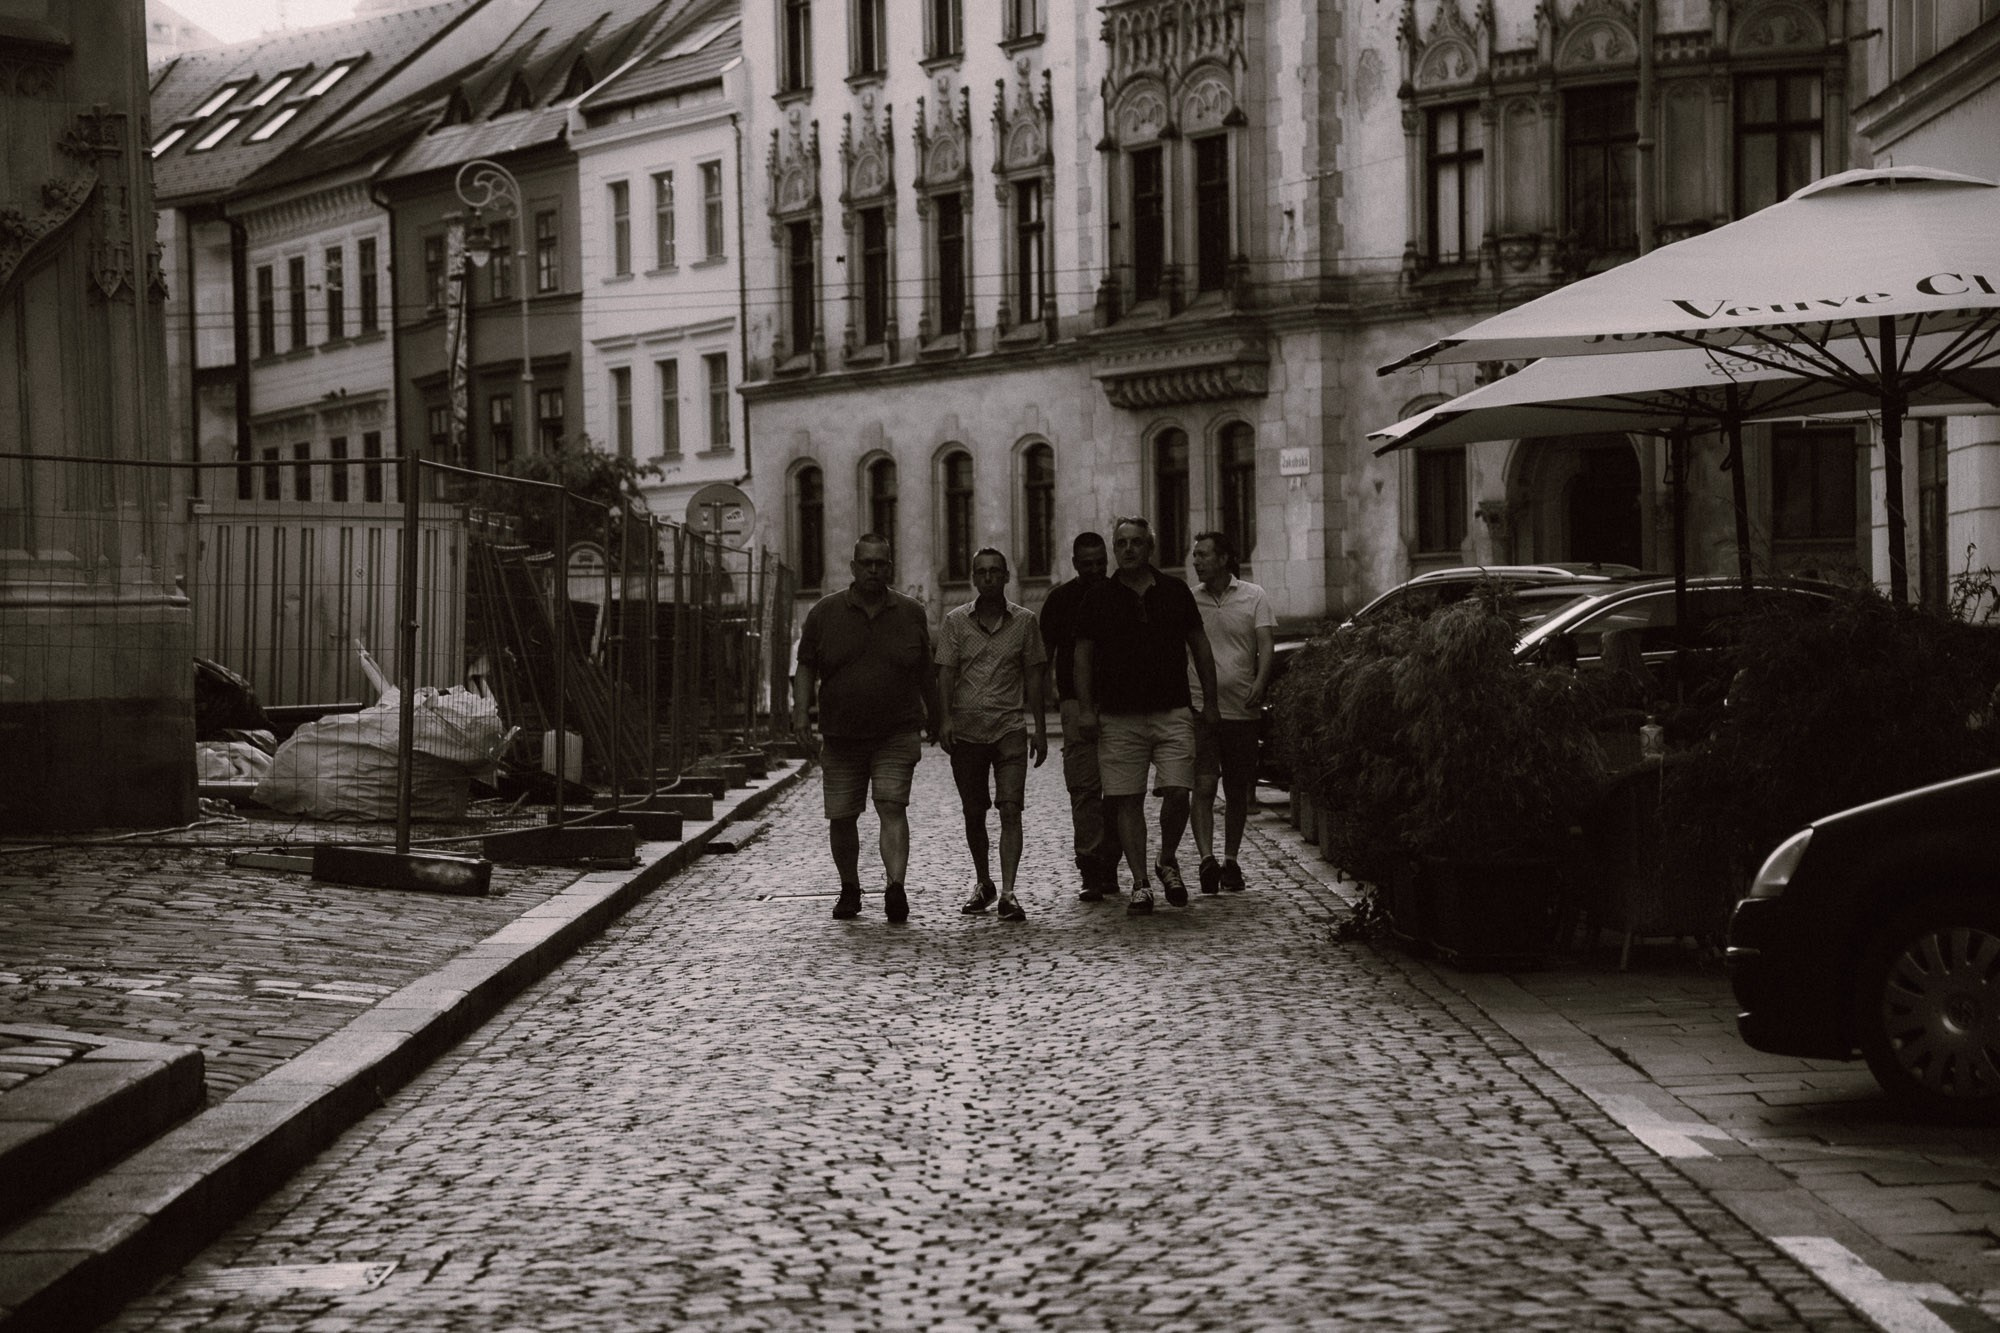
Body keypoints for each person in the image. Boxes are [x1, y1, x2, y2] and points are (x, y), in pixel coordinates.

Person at [1072, 517, 1219, 916]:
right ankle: (1140, 882)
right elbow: (1082, 656)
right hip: (1119, 717)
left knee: (1178, 791)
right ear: (1114, 549)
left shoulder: (1174, 592)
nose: (1129, 549)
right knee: (1126, 798)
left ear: (1150, 547)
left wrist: (1211, 701)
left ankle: (1166, 857)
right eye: (1122, 543)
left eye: (1137, 542)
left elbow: (1200, 647)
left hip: (1172, 710)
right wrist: (1086, 709)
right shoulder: (1098, 597)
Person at [793, 534, 942, 923]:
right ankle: (849, 887)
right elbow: (806, 665)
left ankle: (895, 887)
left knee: (892, 805)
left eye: (881, 563)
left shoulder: (910, 613)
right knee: (842, 815)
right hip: (841, 735)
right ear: (854, 567)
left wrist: (939, 716)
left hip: (897, 730)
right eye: (867, 563)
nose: (874, 570)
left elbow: (926, 670)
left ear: (890, 567)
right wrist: (799, 715)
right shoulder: (825, 614)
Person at [936, 548, 1048, 922]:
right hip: (967, 731)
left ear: (1005, 577)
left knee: (1011, 808)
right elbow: (946, 673)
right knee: (974, 811)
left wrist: (1040, 729)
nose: (988, 578)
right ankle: (984, 881)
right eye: (981, 572)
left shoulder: (1025, 622)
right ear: (973, 577)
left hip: (1009, 727)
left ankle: (1010, 893)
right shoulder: (955, 622)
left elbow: (1034, 675)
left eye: (994, 572)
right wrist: (946, 719)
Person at [1187, 531, 1275, 894]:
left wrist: (1260, 681)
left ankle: (1232, 861)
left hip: (1242, 709)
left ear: (1224, 558)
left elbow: (1266, 644)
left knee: (1238, 791)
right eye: (1195, 555)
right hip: (1201, 709)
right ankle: (1207, 860)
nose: (1196, 561)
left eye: (1204, 555)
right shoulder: (1190, 600)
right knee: (1204, 785)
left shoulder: (1254, 596)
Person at [1037, 531, 1122, 900]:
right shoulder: (1060, 600)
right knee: (1084, 789)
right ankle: (1090, 866)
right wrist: (1042, 707)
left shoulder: (1120, 594)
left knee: (1120, 790)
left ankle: (1112, 864)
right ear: (1074, 564)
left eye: (1101, 563)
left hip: (1121, 703)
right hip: (1074, 704)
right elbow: (1044, 657)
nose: (1095, 570)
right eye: (1087, 564)